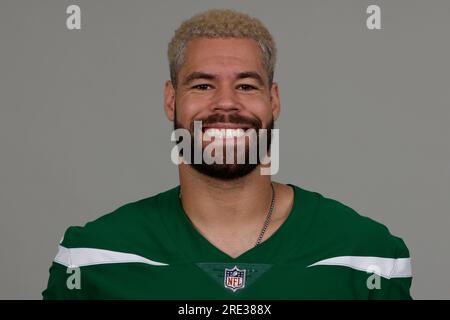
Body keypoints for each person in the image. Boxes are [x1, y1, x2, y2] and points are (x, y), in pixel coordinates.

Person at [42, 9, 412, 299]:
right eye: (203, 85)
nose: (226, 104)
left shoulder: (368, 256)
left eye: (247, 85)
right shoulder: (92, 257)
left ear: (274, 100)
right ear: (171, 100)